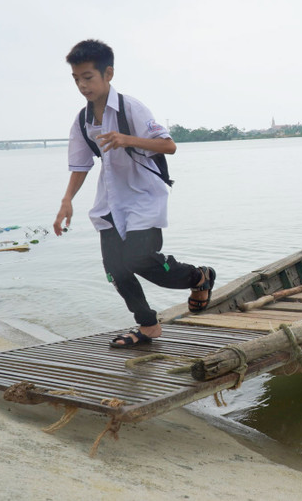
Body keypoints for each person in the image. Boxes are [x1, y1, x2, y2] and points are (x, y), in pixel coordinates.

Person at [53, 39, 216, 349]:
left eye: (88, 77)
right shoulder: (83, 120)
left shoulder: (132, 109)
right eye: (76, 79)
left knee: (142, 261)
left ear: (108, 73)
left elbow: (169, 145)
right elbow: (80, 165)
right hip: (110, 202)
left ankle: (199, 277)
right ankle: (148, 325)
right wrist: (66, 201)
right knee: (115, 269)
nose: (82, 85)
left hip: (144, 197)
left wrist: (127, 139)